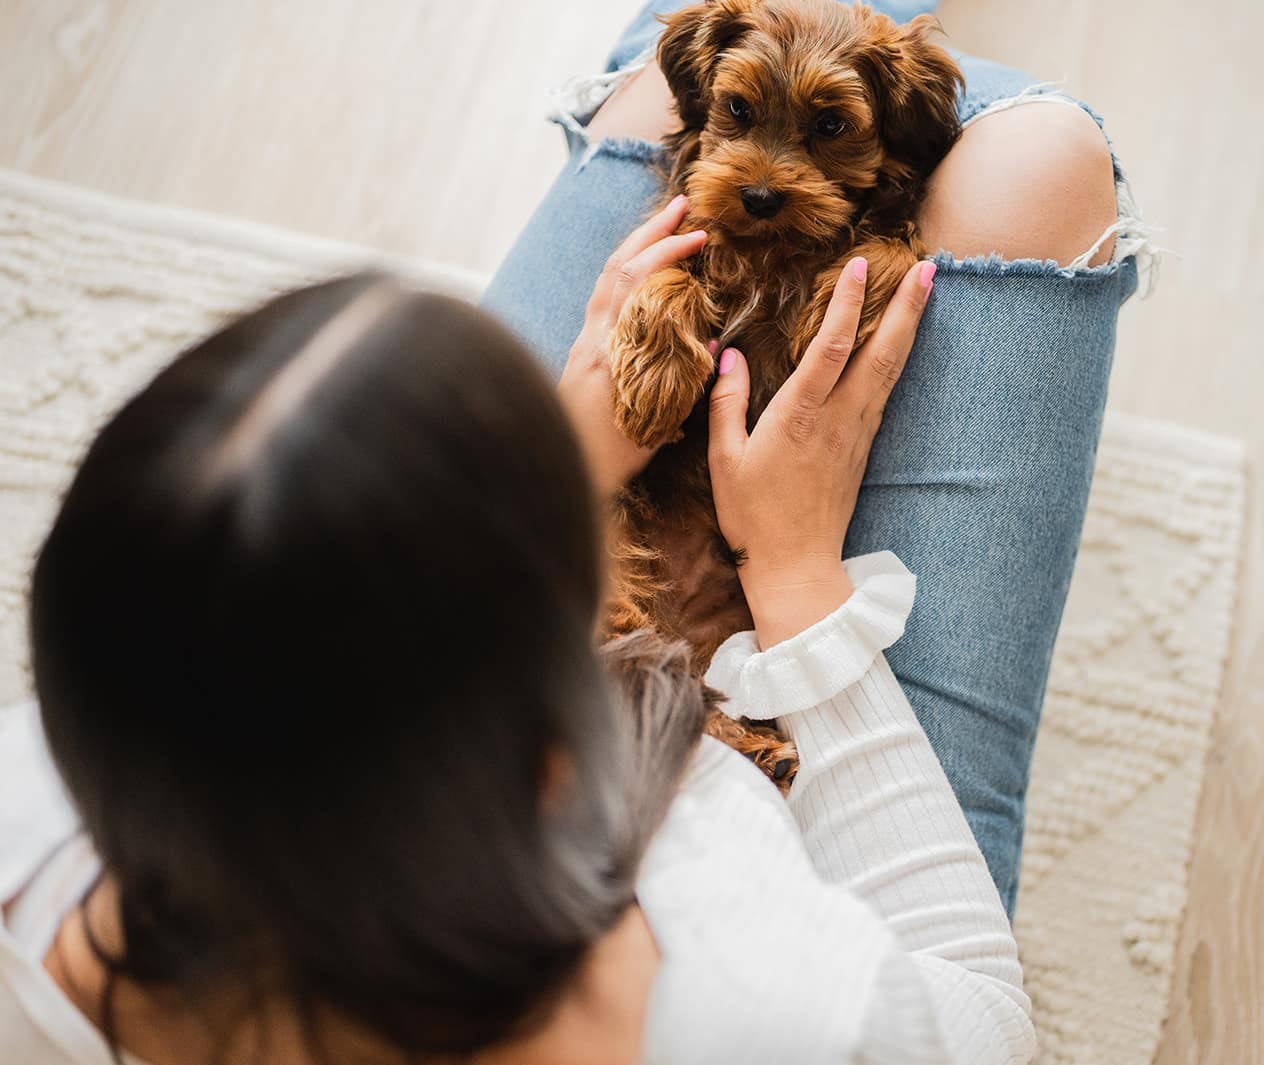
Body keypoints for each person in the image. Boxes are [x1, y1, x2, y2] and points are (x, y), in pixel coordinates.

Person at [0, 1, 1145, 1062]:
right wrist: (794, 571)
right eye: (523, 500)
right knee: (1036, 157)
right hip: (764, 712)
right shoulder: (756, 986)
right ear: (540, 726)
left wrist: (579, 447)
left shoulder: (32, 818)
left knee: (669, 73)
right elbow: (984, 1027)